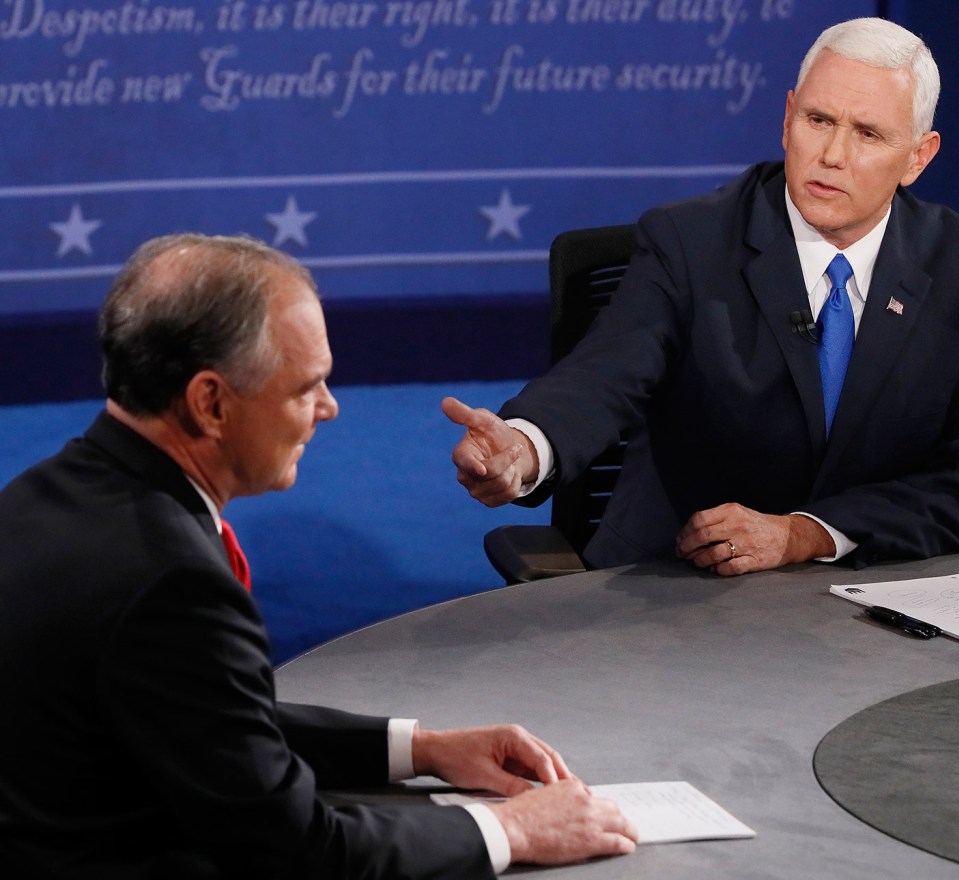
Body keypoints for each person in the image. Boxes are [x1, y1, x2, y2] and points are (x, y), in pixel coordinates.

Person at [0, 233, 638, 879]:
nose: (329, 410)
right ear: (211, 402)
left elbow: (206, 719)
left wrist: (421, 750)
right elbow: (297, 852)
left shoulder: (41, 495)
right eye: (306, 388)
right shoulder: (171, 579)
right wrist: (509, 827)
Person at [444, 16, 959, 575]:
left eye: (868, 134)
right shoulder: (691, 243)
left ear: (918, 157)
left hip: (868, 596)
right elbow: (603, 377)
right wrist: (523, 448)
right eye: (818, 120)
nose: (833, 155)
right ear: (787, 118)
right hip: (680, 587)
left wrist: (805, 534)